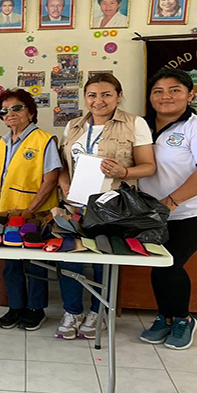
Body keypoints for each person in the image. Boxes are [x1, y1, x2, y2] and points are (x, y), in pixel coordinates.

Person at [56, 74, 156, 340]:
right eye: (92, 95)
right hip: (75, 204)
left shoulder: (135, 124)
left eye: (106, 94)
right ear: (85, 98)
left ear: (118, 95)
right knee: (71, 258)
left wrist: (124, 171)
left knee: (104, 260)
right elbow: (63, 167)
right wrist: (65, 185)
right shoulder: (73, 126)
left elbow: (148, 166)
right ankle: (72, 311)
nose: (98, 101)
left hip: (112, 206)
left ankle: (98, 312)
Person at [139, 68, 197, 350]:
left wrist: (171, 202)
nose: (166, 96)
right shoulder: (141, 126)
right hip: (152, 214)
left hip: (194, 213)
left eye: (174, 90)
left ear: (190, 95)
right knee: (158, 264)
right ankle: (164, 317)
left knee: (171, 262)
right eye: (158, 91)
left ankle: (183, 319)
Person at [0, 89, 61, 331]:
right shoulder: (2, 143)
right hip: (5, 215)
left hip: (35, 216)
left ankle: (36, 309)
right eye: (4, 110)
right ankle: (15, 307)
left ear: (30, 112)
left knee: (36, 262)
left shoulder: (45, 140)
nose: (10, 113)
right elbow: (4, 180)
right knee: (10, 263)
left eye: (17, 108)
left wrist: (30, 210)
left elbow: (50, 180)